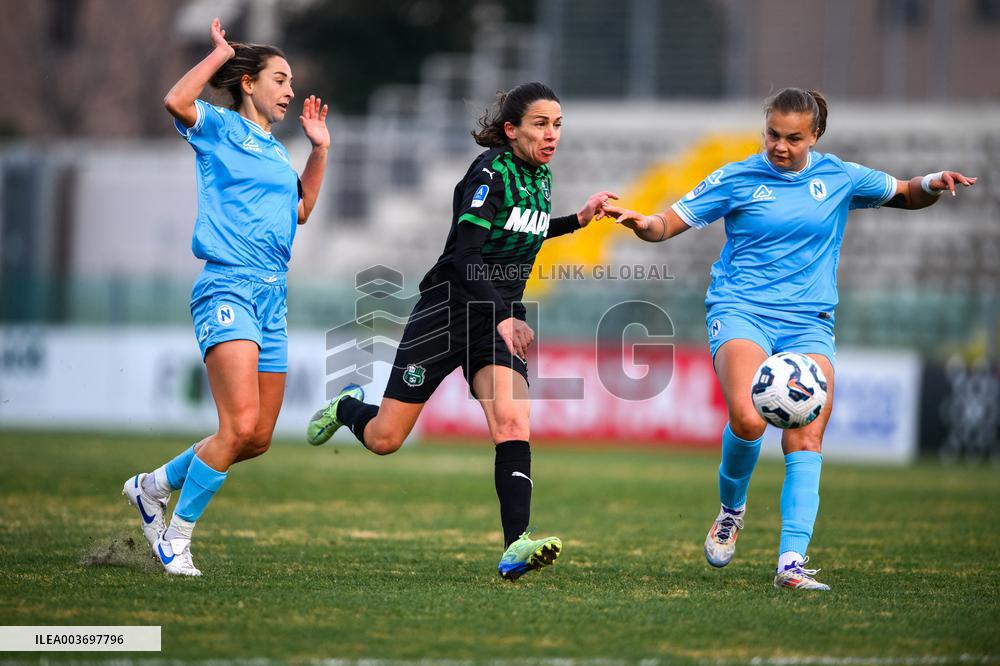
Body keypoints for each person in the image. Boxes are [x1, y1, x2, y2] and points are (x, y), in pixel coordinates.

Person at [601, 88, 976, 591]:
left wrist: (933, 181)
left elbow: (908, 193)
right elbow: (667, 223)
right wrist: (643, 224)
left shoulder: (839, 177)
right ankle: (732, 510)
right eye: (773, 135)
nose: (779, 146)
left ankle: (792, 563)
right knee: (747, 417)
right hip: (742, 311)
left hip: (808, 323)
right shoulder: (737, 177)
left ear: (814, 136)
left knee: (807, 434)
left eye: (793, 138)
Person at [306, 82, 618, 581]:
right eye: (541, 123)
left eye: (558, 124)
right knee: (386, 439)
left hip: (498, 318)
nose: (552, 133)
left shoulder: (539, 175)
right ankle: (346, 406)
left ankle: (517, 544)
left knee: (513, 424)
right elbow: (468, 259)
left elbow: (525, 228)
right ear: (511, 130)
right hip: (447, 312)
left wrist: (576, 221)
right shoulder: (489, 174)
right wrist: (505, 314)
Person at [121, 18, 331, 576]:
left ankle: (152, 487)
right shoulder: (217, 126)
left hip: (272, 296)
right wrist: (219, 53)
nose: (290, 91)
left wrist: (319, 152)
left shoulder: (275, 152)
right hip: (228, 284)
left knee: (256, 438)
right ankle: (176, 538)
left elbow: (301, 211)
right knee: (236, 426)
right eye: (280, 80)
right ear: (249, 83)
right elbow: (175, 99)